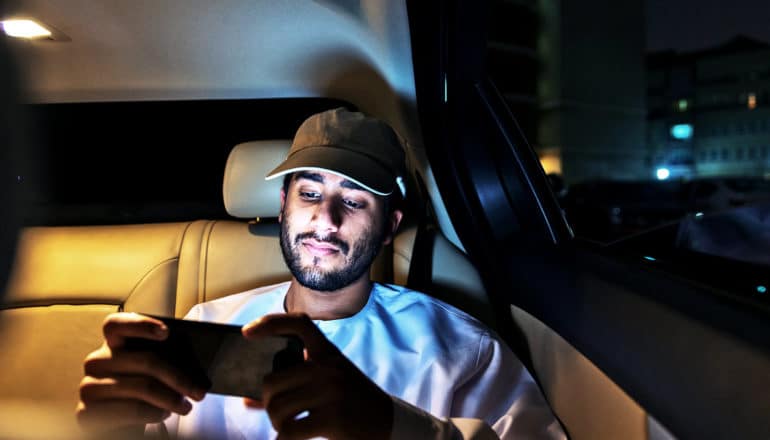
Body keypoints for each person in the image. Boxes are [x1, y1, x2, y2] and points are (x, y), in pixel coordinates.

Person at [76, 108, 565, 439]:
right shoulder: (209, 325)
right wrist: (108, 429)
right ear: (284, 204)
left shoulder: (461, 350)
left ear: (389, 226)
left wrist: (393, 426)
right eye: (310, 194)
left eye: (353, 201)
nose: (325, 220)